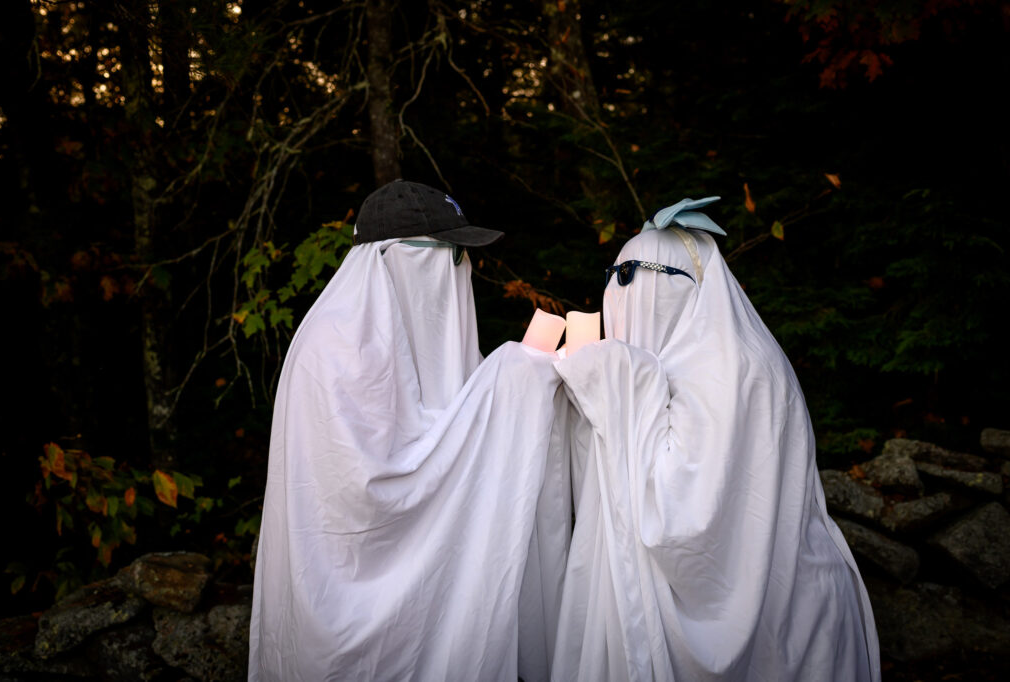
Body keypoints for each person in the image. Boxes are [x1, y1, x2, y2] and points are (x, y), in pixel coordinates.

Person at [248, 180, 571, 681]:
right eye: (453, 255)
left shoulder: (413, 341)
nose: (463, 269)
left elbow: (450, 427)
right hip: (345, 612)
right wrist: (510, 383)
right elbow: (375, 491)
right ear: (403, 258)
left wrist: (520, 386)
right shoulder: (337, 348)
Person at [550, 198, 880, 681]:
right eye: (613, 275)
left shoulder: (733, 368)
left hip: (784, 623)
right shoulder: (687, 362)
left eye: (631, 276)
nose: (619, 294)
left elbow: (688, 518)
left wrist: (622, 388)